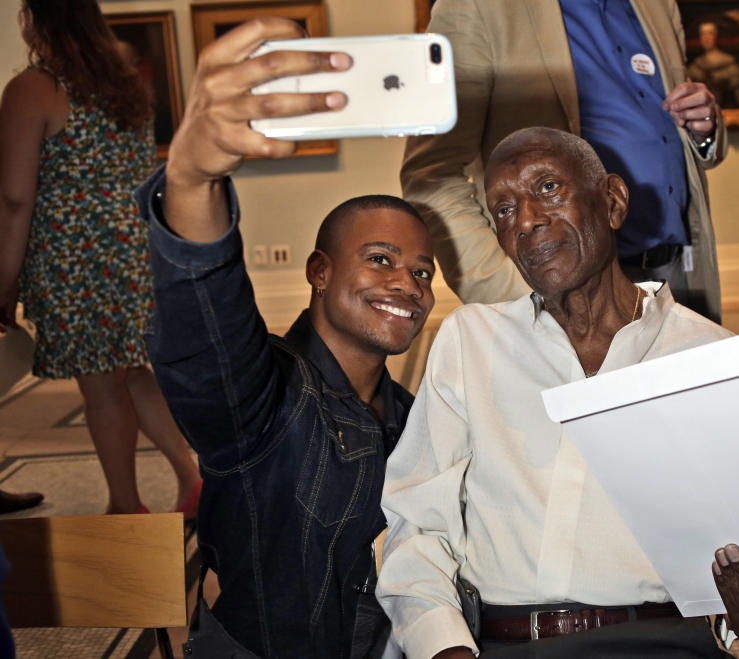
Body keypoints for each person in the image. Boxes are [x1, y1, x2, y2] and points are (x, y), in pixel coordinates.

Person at [377, 127, 739, 658]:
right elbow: (416, 520)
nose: (528, 220)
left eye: (549, 189)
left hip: (660, 643)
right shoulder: (471, 340)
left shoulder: (711, 357)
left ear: (612, 201)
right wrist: (442, 647)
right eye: (505, 210)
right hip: (499, 644)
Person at [136, 18, 436, 657]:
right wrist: (192, 182)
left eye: (422, 271)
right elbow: (204, 331)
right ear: (319, 273)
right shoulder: (263, 398)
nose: (408, 283)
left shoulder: (418, 420)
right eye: (380, 259)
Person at [402, 0, 727, 323]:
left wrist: (704, 130)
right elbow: (430, 175)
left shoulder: (658, 4)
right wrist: (518, 299)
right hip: (568, 297)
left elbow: (662, 132)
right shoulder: (477, 6)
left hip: (680, 272)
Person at [0, 0, 201, 516]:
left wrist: (4, 281)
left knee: (101, 386)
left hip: (75, 255)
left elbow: (16, 197)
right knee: (132, 372)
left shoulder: (33, 89)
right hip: (135, 244)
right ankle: (191, 477)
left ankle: (126, 504)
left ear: (35, 21)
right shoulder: (127, 84)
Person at [687, 20, 739, 109]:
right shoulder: (695, 67)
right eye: (703, 34)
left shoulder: (730, 64)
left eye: (710, 34)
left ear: (716, 36)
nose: (706, 38)